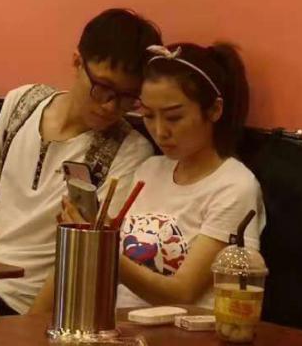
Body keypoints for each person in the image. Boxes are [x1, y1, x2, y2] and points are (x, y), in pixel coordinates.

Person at [0, 8, 162, 317]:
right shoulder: (22, 102)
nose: (110, 106)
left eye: (127, 97)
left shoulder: (129, 151)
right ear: (77, 62)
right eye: (103, 88)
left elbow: (84, 254)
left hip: (27, 307)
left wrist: (25, 328)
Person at [34, 41, 265, 312]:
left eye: (174, 117)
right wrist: (92, 231)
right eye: (148, 115)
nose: (160, 131)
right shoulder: (150, 169)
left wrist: (103, 250)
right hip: (121, 324)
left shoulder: (234, 186)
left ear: (214, 110)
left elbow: (182, 293)